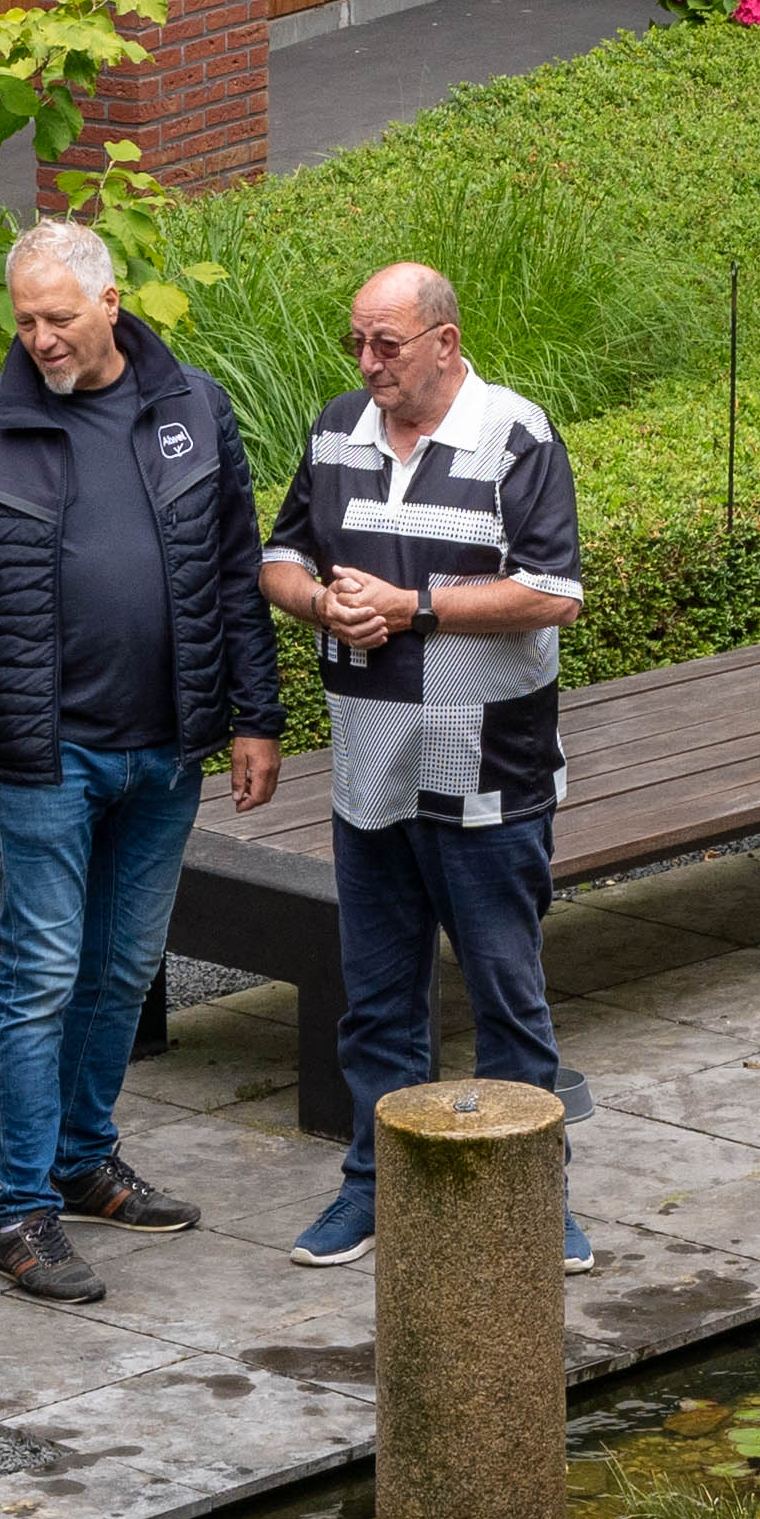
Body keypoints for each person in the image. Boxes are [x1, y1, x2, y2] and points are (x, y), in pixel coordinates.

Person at [0, 219, 281, 1307]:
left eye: (58, 318)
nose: (39, 339)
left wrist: (255, 718)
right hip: (41, 755)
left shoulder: (192, 409)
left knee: (123, 968)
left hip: (166, 748)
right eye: (22, 321)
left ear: (112, 303)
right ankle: (20, 1211)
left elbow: (232, 571)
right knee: (39, 976)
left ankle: (82, 1157)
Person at [256, 260, 593, 1272]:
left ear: (444, 342)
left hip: (490, 774)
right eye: (356, 343)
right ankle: (374, 1190)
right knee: (378, 1002)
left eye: (386, 345)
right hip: (370, 778)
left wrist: (415, 609)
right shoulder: (333, 431)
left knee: (507, 999)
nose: (367, 364)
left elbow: (554, 591)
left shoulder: (516, 435)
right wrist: (321, 604)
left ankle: (533, 1201)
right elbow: (276, 558)